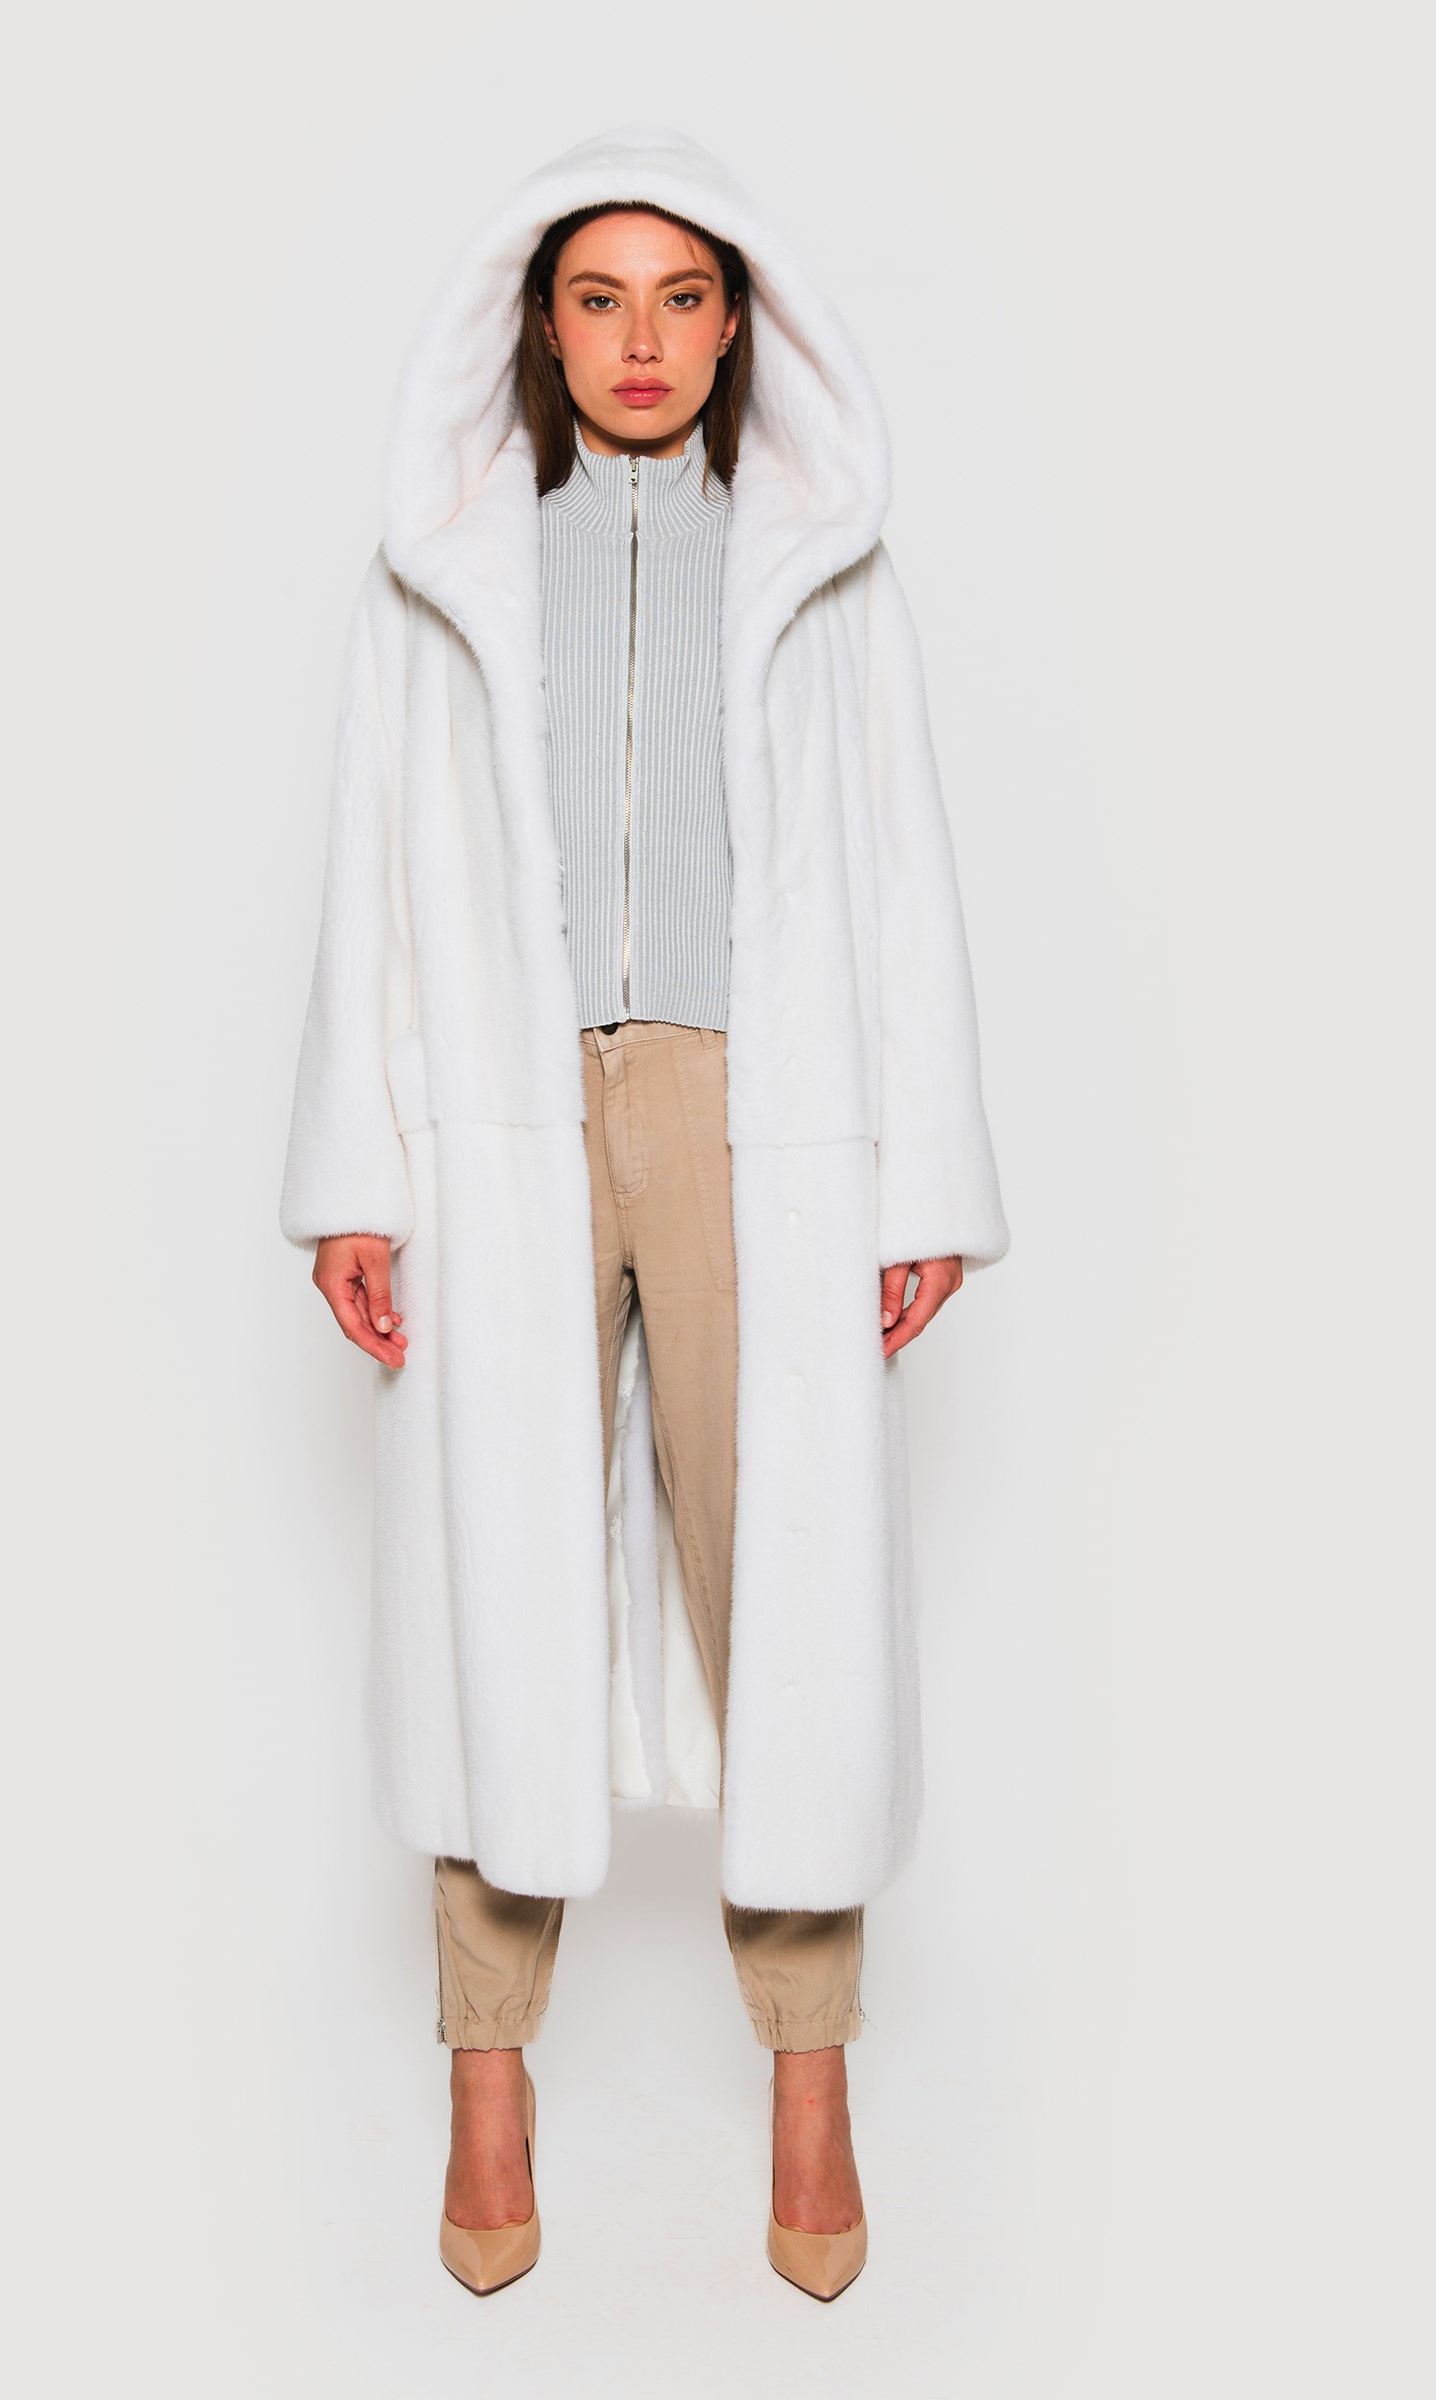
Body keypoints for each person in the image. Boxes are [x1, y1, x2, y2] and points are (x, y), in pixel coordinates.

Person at [281, 125, 1009, 2300]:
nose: (640, 341)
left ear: (737, 324)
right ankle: (485, 2080)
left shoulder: (818, 571)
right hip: (496, 1125)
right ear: (539, 324)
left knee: (782, 1598)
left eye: (681, 299)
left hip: (750, 1114)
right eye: (598, 299)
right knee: (493, 1589)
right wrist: (354, 1174)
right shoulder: (443, 574)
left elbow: (902, 873)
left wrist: (922, 1179)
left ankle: (810, 2081)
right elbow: (370, 877)